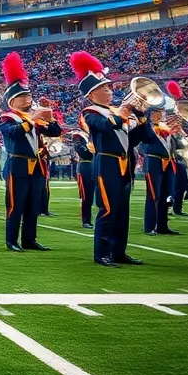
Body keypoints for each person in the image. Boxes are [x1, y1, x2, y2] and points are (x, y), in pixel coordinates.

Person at [71, 51, 149, 268]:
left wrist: (141, 116)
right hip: (107, 164)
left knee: (123, 211)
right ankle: (102, 253)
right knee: (107, 209)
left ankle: (119, 252)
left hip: (125, 164)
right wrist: (123, 111)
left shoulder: (117, 111)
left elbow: (138, 138)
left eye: (108, 87)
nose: (109, 90)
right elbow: (105, 126)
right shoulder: (90, 112)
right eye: (103, 88)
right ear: (91, 95)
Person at [0, 52, 60, 253]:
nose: (27, 99)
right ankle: (11, 240)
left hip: (37, 165)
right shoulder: (7, 118)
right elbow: (13, 133)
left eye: (28, 95)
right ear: (12, 101)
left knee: (34, 204)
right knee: (16, 204)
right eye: (22, 96)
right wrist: (32, 119)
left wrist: (50, 117)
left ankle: (29, 239)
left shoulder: (34, 117)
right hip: (18, 164)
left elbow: (55, 132)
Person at [140, 106, 177, 236]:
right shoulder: (146, 127)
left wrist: (176, 133)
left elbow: (175, 146)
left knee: (166, 195)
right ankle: (150, 226)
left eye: (161, 113)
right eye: (157, 113)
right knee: (153, 194)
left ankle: (162, 225)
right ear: (150, 114)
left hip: (169, 162)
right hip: (153, 161)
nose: (160, 116)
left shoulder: (165, 127)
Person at [73, 119, 96, 230]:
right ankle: (86, 220)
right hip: (85, 166)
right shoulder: (79, 135)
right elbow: (82, 152)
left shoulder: (95, 134)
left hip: (96, 165)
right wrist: (90, 146)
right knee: (87, 196)